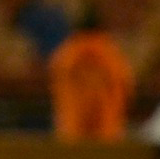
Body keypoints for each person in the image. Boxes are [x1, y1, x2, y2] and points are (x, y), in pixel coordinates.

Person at [48, 10, 133, 143]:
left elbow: (56, 87)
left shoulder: (67, 53)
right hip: (107, 136)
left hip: (72, 137)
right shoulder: (112, 53)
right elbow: (125, 86)